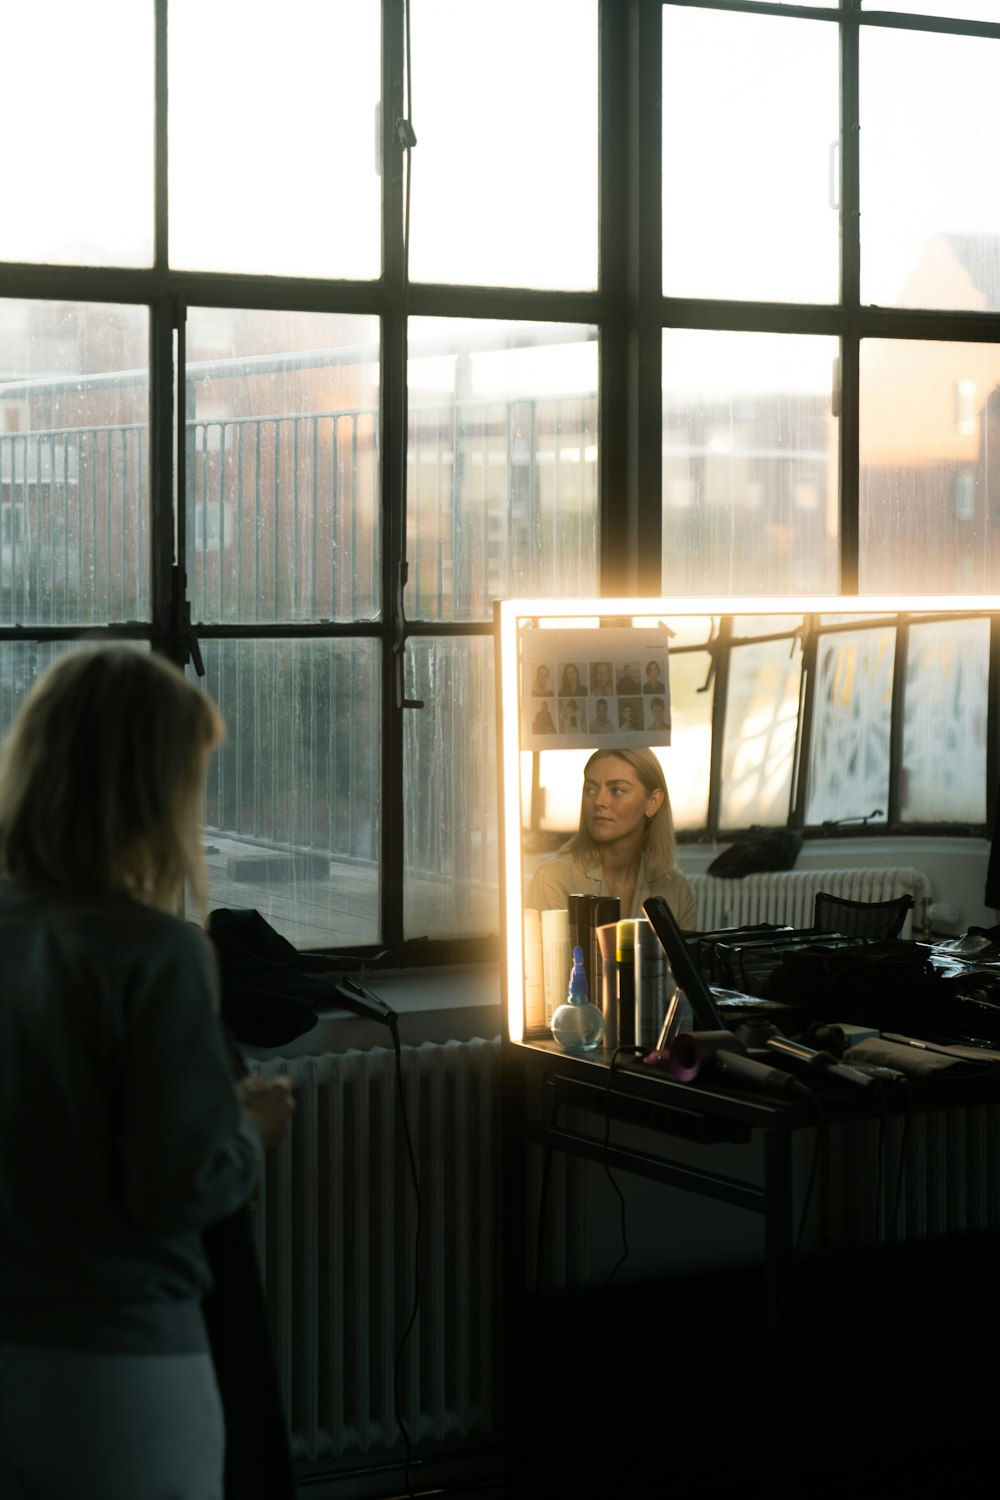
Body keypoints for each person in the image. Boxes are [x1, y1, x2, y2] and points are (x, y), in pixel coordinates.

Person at [0, 645, 296, 1500]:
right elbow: (174, 1188)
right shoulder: (155, 952)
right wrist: (250, 1130)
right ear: (150, 790)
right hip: (117, 1372)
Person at [525, 747, 697, 925]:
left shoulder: (676, 890)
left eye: (617, 790)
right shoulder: (554, 880)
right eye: (590, 790)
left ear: (652, 802)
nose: (599, 801)